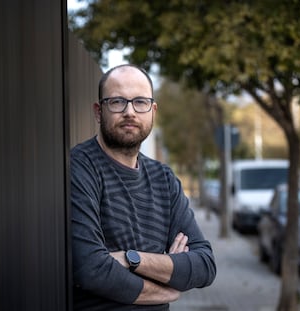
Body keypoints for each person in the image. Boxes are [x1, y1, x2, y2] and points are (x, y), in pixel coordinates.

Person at [71, 64, 216, 310]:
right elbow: (92, 269)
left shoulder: (164, 179)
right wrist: (166, 283)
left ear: (153, 111)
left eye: (140, 102)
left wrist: (131, 259)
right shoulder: (80, 168)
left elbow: (204, 265)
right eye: (117, 102)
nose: (130, 112)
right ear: (98, 112)